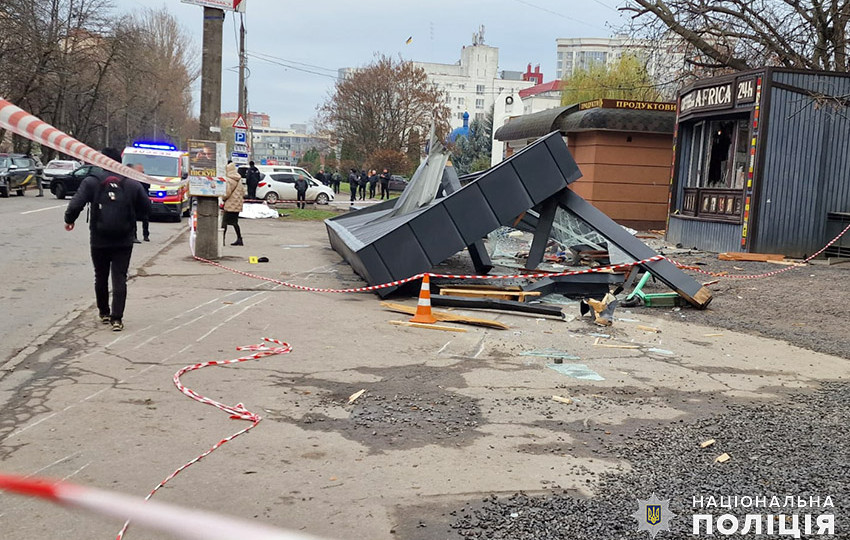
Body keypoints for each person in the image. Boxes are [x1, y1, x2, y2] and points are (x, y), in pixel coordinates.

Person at [63, 147, 151, 332]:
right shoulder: (131, 183)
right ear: (118, 161)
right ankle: (117, 319)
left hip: (99, 237)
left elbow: (76, 203)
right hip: (124, 237)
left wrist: (69, 220)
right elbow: (146, 207)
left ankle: (104, 312)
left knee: (100, 275)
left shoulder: (92, 182)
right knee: (119, 276)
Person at [222, 162, 245, 246]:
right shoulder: (239, 179)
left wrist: (223, 199)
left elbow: (227, 193)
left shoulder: (229, 180)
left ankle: (222, 240)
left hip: (230, 204)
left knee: (224, 223)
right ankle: (239, 239)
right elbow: (243, 191)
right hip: (238, 204)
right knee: (235, 222)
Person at [129, 163, 151, 242]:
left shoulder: (145, 177)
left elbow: (148, 186)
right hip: (134, 200)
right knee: (133, 218)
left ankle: (146, 235)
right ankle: (134, 236)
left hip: (143, 200)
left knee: (145, 218)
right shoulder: (132, 177)